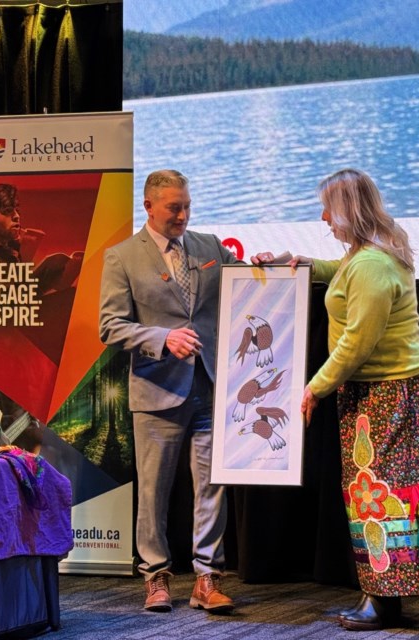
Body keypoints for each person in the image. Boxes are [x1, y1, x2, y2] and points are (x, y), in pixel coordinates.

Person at [253, 169, 419, 631]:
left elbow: (357, 343)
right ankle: (384, 593)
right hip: (389, 390)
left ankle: (383, 600)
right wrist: (297, 262)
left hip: (384, 393)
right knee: (395, 490)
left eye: (329, 209)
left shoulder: (371, 266)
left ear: (349, 210)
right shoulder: (373, 252)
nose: (324, 218)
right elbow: (340, 273)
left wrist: (314, 387)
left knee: (380, 494)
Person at [99, 169, 241, 614]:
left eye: (187, 206)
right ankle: (156, 577)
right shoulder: (122, 257)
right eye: (174, 207)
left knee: (211, 486)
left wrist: (281, 268)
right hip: (157, 390)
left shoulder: (209, 246)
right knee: (154, 491)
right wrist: (162, 339)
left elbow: (249, 288)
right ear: (149, 206)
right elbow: (110, 326)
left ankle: (206, 578)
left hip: (211, 386)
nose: (183, 215)